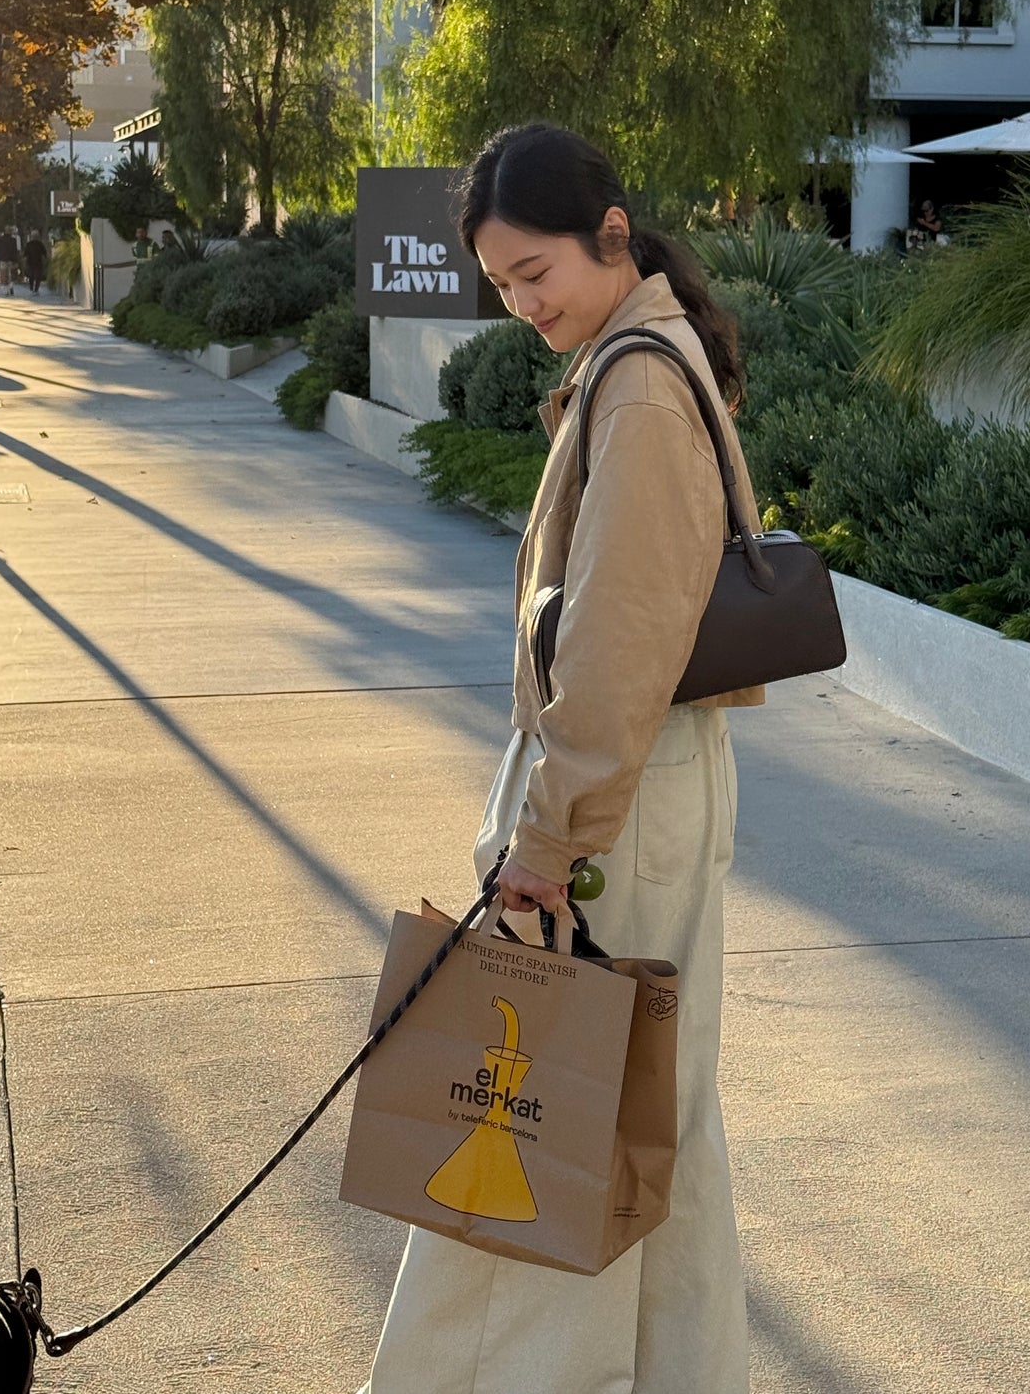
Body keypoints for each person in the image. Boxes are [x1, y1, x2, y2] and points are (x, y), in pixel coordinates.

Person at [360, 123, 760, 1394]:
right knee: (654, 1123)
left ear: (610, 233)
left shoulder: (638, 383)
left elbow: (621, 637)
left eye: (535, 272)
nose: (523, 304)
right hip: (643, 784)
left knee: (526, 1119)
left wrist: (543, 840)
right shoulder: (639, 360)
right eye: (501, 286)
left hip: (609, 800)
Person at [22, 230, 48, 296]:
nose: (34, 237)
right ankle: (34, 290)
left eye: (35, 236)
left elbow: (25, 253)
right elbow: (44, 253)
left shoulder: (31, 244)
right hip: (35, 262)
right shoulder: (39, 244)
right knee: (34, 276)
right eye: (34, 236)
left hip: (34, 262)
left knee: (34, 276)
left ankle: (34, 289)